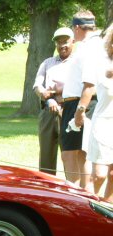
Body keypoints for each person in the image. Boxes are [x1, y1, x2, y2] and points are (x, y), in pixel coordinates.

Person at [61, 10, 102, 188]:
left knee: (71, 154)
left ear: (77, 27)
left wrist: (80, 110)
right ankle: (81, 196)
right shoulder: (94, 45)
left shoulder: (89, 47)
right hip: (78, 103)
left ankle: (79, 198)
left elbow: (89, 83)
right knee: (78, 154)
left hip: (80, 103)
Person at [33, 28, 74, 175]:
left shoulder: (77, 62)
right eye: (59, 42)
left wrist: (55, 90)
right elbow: (37, 85)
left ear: (73, 41)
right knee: (46, 155)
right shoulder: (47, 63)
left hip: (70, 111)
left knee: (70, 155)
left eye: (66, 41)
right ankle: (46, 190)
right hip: (48, 111)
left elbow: (77, 87)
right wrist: (46, 96)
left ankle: (72, 191)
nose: (62, 45)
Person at [85, 29, 113, 198]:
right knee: (99, 175)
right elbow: (105, 79)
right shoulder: (103, 63)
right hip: (103, 124)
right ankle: (88, 210)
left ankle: (108, 215)